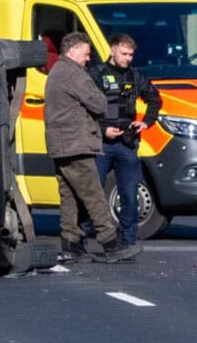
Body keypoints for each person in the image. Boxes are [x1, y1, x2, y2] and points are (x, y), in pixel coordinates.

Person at [44, 31, 141, 264]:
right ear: (73, 50)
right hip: (76, 143)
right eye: (86, 54)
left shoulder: (57, 71)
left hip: (60, 144)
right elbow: (99, 104)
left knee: (69, 197)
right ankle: (111, 244)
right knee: (93, 195)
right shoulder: (73, 73)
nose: (88, 59)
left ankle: (70, 245)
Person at [87, 33, 162, 249]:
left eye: (130, 55)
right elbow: (84, 109)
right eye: (124, 54)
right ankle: (83, 239)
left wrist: (146, 122)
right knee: (93, 191)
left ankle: (128, 241)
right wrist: (103, 130)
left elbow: (154, 99)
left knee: (129, 194)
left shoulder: (135, 76)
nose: (128, 59)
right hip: (101, 143)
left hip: (127, 143)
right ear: (112, 50)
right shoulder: (96, 74)